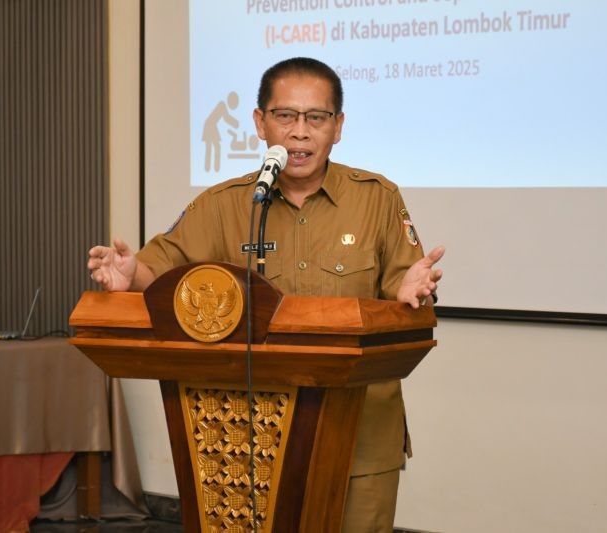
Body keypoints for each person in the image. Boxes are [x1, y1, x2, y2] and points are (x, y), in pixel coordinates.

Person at [88, 57, 444, 532]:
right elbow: (161, 270)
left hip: (361, 432)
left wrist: (407, 296)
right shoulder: (224, 205)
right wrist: (130, 274)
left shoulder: (377, 198)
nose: (300, 133)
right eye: (285, 116)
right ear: (260, 122)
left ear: (337, 127)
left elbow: (410, 309)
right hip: (253, 436)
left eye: (316, 118)